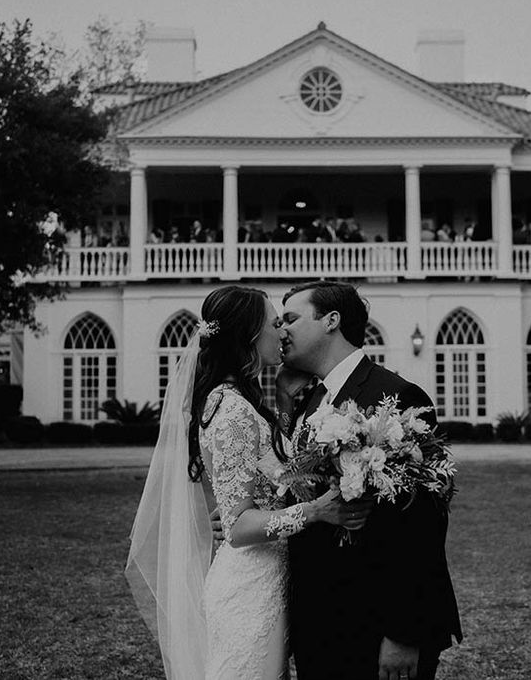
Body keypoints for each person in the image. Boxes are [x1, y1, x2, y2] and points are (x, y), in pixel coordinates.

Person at [126, 286, 371, 679]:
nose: (283, 332)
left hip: (269, 580)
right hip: (250, 588)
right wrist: (316, 511)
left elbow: (258, 489)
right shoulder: (233, 410)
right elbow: (239, 527)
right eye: (276, 323)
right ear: (250, 336)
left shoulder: (240, 400)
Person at [275, 281, 462, 680]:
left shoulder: (399, 396)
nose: (280, 329)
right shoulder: (308, 399)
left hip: (376, 623)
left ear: (331, 321)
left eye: (290, 318)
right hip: (320, 619)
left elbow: (423, 525)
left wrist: (404, 632)